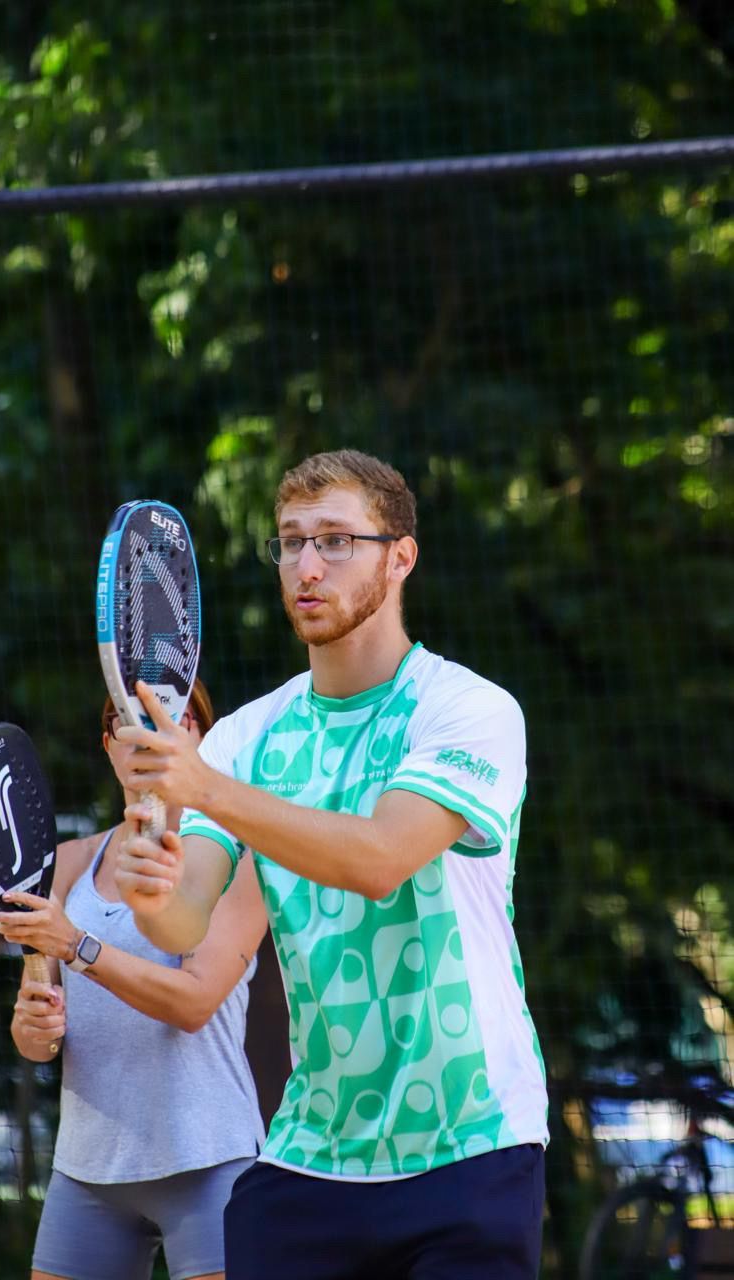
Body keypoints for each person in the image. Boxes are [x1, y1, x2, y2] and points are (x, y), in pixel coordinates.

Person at [114, 450, 549, 1280]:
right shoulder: (247, 736)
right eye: (290, 542)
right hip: (311, 1157)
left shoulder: (468, 710)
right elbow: (183, 917)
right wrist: (150, 885)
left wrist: (203, 783)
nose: (307, 567)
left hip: (472, 1143)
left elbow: (380, 858)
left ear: (400, 557)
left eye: (336, 541)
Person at [0, 679, 267, 1280]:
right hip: (89, 1170)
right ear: (109, 745)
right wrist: (32, 1027)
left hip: (209, 1155)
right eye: (125, 718)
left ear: (198, 737)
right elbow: (38, 1038)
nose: (144, 729)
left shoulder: (242, 859)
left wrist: (78, 945)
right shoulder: (64, 864)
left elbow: (194, 1003)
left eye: (169, 715)